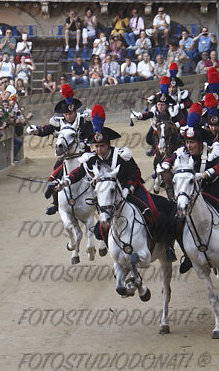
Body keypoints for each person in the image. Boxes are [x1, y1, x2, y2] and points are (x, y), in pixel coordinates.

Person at [56, 105, 177, 263]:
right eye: (96, 146)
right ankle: (113, 248)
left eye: (102, 146)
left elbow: (136, 174)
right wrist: (66, 181)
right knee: (100, 230)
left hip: (131, 191)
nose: (99, 150)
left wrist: (128, 189)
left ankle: (167, 246)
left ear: (108, 145)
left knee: (154, 211)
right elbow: (78, 172)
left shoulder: (121, 156)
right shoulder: (91, 158)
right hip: (110, 197)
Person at [160, 116, 219, 269]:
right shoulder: (182, 153)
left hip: (212, 188)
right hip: (190, 193)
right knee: (173, 220)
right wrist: (164, 164)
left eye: (192, 142)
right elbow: (170, 159)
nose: (189, 146)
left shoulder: (212, 151)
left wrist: (207, 173)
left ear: (200, 142)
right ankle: (186, 255)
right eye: (187, 142)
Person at [26, 84, 93, 215]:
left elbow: (92, 135)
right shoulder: (59, 122)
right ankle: (56, 203)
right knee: (54, 179)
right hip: (66, 157)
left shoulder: (84, 120)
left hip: (84, 155)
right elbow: (46, 130)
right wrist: (36, 130)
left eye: (71, 113)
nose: (69, 116)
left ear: (75, 111)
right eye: (67, 114)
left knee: (98, 175)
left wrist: (84, 142)